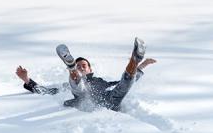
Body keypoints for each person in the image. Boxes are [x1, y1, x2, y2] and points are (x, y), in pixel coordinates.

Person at [15, 38, 158, 112]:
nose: (81, 67)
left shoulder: (101, 81)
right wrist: (26, 79)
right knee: (80, 89)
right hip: (84, 99)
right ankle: (71, 70)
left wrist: (142, 65)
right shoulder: (66, 86)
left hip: (108, 100)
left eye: (83, 65)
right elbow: (47, 91)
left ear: (90, 69)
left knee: (123, 87)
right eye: (78, 66)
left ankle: (134, 60)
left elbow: (122, 84)